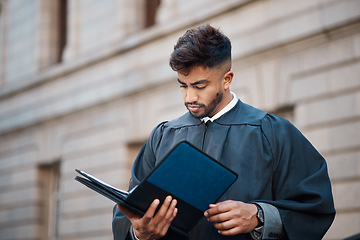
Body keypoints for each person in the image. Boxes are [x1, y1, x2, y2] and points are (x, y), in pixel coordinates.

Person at [112, 24, 335, 240]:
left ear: (227, 79)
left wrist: (259, 216)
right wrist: (139, 233)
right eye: (183, 85)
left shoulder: (273, 132)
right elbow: (129, 213)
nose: (190, 97)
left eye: (199, 86)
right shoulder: (162, 137)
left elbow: (315, 205)